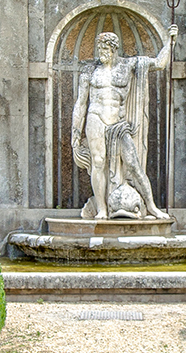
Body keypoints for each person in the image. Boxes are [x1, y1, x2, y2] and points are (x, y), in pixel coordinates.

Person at [71, 28, 174, 219]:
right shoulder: (90, 70)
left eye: (105, 50)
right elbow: (81, 102)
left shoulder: (128, 65)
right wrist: (75, 133)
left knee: (134, 164)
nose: (101, 54)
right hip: (95, 117)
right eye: (99, 50)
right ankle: (102, 208)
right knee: (98, 162)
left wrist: (170, 41)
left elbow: (160, 64)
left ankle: (151, 206)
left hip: (118, 123)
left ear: (114, 49)